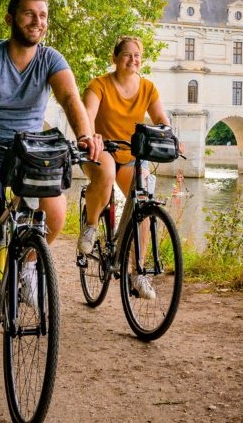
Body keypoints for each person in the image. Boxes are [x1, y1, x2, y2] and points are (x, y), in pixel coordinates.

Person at [0, 0, 103, 340]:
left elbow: (69, 98)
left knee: (56, 212)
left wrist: (86, 135)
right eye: (29, 14)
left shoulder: (50, 59)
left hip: (29, 152)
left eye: (43, 15)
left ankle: (27, 267)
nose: (38, 22)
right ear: (10, 20)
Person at [77, 35, 170, 300]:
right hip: (101, 148)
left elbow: (161, 119)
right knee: (105, 175)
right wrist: (90, 136)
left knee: (144, 196)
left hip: (131, 155)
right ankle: (91, 226)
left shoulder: (148, 88)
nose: (133, 60)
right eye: (127, 55)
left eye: (137, 55)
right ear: (115, 58)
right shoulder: (99, 85)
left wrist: (170, 135)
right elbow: (87, 116)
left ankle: (136, 272)